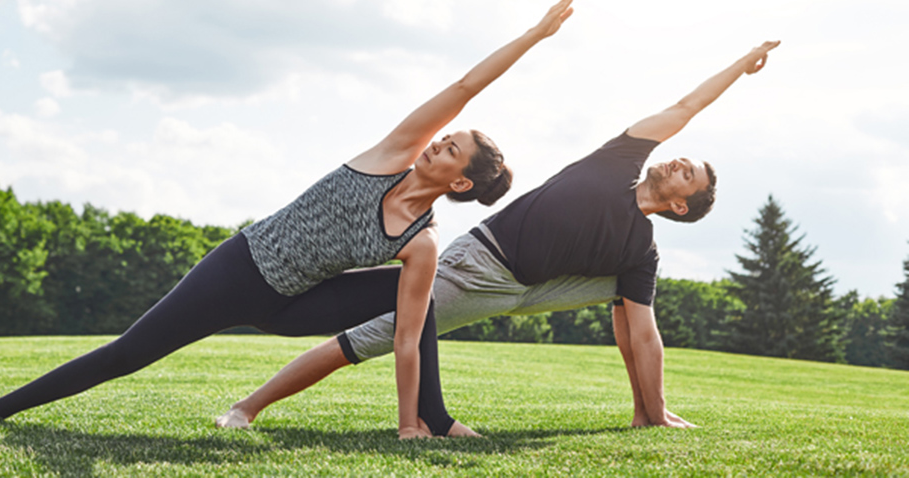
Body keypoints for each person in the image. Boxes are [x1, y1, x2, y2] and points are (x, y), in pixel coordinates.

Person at [0, 0, 581, 439]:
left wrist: (405, 424)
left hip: (292, 304)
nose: (441, 140)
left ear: (462, 184)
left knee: (421, 305)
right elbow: (467, 85)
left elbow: (408, 337)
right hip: (241, 269)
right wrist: (533, 34)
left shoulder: (422, 242)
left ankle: (430, 421)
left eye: (453, 149)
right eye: (447, 135)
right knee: (128, 353)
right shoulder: (392, 152)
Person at [217, 39, 782, 433]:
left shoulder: (641, 250)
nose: (677, 161)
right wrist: (739, 65)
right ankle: (248, 406)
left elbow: (643, 334)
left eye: (687, 173)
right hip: (481, 268)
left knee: (632, 299)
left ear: (681, 204)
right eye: (682, 159)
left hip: (540, 288)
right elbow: (685, 107)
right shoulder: (619, 160)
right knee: (370, 338)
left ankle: (647, 412)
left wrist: (655, 406)